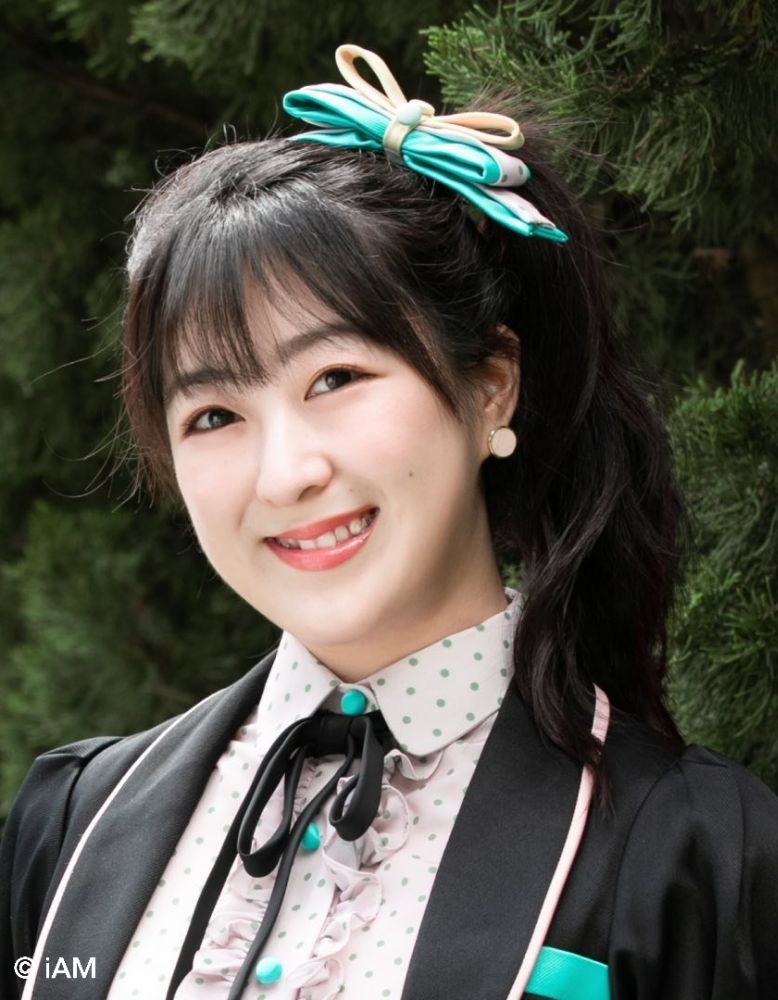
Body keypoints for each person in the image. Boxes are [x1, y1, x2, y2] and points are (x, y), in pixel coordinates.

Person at [1, 43, 776, 1000]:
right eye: (213, 416)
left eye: (336, 378)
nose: (287, 474)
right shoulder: (73, 828)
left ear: (490, 387)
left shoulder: (690, 853)